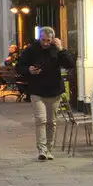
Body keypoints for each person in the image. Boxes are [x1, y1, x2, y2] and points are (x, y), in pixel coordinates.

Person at [16, 27, 75, 160]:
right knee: (40, 120)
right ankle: (42, 149)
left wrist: (61, 49)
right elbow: (19, 67)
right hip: (37, 90)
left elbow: (70, 64)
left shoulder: (56, 50)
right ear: (39, 38)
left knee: (51, 122)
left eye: (48, 41)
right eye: (43, 40)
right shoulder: (31, 49)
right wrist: (29, 69)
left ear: (53, 39)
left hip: (54, 91)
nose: (46, 43)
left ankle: (49, 148)